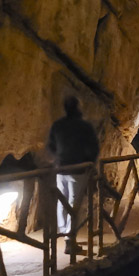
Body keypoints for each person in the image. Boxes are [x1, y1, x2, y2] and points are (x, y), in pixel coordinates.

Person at [47, 96, 99, 254]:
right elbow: (93, 148)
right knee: (73, 203)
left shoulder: (57, 125)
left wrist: (59, 158)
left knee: (62, 202)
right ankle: (70, 239)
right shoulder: (85, 126)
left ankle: (64, 233)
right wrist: (89, 163)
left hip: (61, 169)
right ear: (78, 107)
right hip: (78, 169)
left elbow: (51, 146)